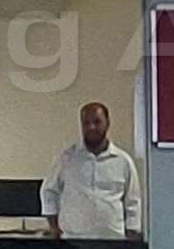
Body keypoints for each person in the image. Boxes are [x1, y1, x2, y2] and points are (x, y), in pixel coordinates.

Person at [44, 101, 142, 240]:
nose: (91, 127)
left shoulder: (123, 161)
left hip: (113, 240)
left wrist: (132, 233)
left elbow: (133, 201)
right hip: (73, 240)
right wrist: (54, 228)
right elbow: (49, 192)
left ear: (107, 123)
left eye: (97, 122)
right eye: (86, 123)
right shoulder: (66, 159)